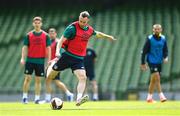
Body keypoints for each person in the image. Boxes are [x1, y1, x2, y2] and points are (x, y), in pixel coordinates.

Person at [46, 11, 116, 106]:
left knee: (83, 77)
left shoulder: (89, 30)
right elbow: (61, 41)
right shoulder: (72, 28)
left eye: (84, 22)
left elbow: (97, 33)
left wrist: (108, 37)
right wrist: (57, 52)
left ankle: (78, 99)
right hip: (67, 56)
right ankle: (53, 64)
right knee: (50, 76)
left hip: (78, 59)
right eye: (80, 21)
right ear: (79, 18)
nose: (82, 23)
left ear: (87, 21)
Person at [20, 16, 51, 104]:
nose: (37, 24)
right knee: (27, 79)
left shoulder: (46, 36)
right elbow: (25, 47)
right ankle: (25, 98)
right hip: (30, 60)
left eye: (38, 23)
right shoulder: (29, 35)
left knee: (38, 80)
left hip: (40, 61)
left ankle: (37, 99)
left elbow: (48, 48)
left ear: (41, 24)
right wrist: (22, 58)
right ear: (33, 24)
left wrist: (49, 60)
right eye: (35, 23)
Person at [141, 24, 168, 103]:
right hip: (151, 61)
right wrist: (143, 62)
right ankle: (161, 95)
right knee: (157, 77)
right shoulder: (149, 39)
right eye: (155, 29)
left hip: (159, 61)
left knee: (153, 80)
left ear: (161, 30)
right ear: (153, 30)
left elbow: (165, 49)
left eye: (158, 29)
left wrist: (166, 57)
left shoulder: (163, 38)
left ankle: (149, 98)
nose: (157, 30)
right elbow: (144, 51)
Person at [45, 28, 74, 102]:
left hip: (56, 63)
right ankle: (69, 94)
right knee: (52, 80)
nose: (51, 34)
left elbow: (60, 54)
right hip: (51, 63)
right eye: (50, 33)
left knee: (53, 80)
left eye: (53, 33)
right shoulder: (49, 43)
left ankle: (48, 99)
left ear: (56, 34)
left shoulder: (58, 42)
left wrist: (54, 60)